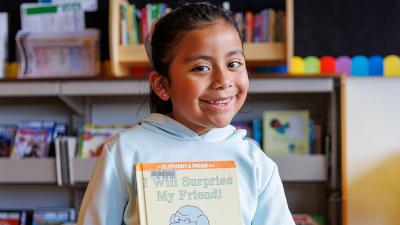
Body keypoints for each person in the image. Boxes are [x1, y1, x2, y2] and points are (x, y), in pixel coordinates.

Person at [77, 2, 295, 225]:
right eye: (201, 68)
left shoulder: (255, 162)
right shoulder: (125, 151)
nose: (223, 81)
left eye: (234, 63)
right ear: (162, 85)